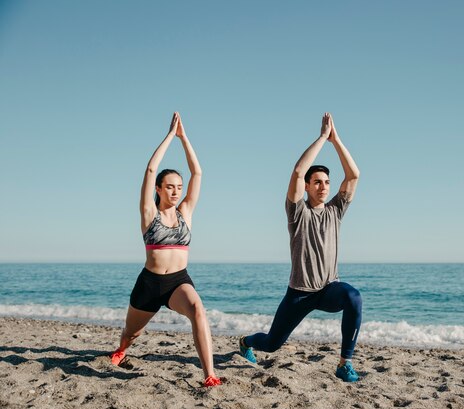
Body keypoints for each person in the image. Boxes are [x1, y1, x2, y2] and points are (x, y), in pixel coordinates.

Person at [239, 112, 362, 382]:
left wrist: (336, 140)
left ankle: (344, 364)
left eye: (327, 182)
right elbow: (296, 172)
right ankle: (246, 342)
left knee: (354, 297)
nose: (323, 186)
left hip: (329, 288)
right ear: (306, 186)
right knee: (272, 343)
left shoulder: (335, 211)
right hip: (299, 293)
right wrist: (321, 138)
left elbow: (354, 175)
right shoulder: (297, 212)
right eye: (317, 182)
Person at [110, 112, 221, 387]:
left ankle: (210, 374)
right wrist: (170, 136)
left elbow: (198, 172)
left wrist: (184, 139)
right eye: (169, 187)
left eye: (179, 188)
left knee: (198, 309)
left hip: (177, 281)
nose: (175, 192)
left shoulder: (186, 212)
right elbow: (150, 170)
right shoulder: (149, 214)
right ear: (158, 189)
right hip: (149, 283)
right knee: (132, 334)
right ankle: (121, 349)